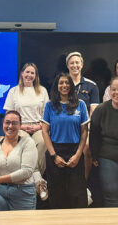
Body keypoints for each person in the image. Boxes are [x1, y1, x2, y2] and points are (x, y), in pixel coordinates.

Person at [42, 72, 89, 208]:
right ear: (57, 86)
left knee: (77, 194)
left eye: (67, 82)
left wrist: (78, 155)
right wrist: (54, 155)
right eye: (61, 83)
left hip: (75, 151)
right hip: (55, 152)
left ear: (71, 85)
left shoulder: (80, 104)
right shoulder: (50, 105)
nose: (64, 85)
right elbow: (45, 131)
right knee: (57, 194)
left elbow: (84, 131)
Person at [3, 63, 49, 200]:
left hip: (38, 126)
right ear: (22, 73)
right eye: (27, 72)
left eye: (32, 73)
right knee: (27, 143)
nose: (29, 75)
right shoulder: (14, 91)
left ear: (36, 76)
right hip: (19, 127)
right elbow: (8, 114)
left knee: (42, 142)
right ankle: (39, 181)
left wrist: (38, 127)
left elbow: (47, 115)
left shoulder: (42, 91)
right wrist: (20, 126)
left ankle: (34, 178)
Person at [0, 110, 38, 212]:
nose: (10, 126)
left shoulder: (28, 142)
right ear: (3, 124)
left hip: (23, 193)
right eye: (7, 122)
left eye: (14, 123)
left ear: (20, 126)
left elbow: (26, 172)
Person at [66, 51, 99, 183]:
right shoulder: (61, 83)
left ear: (82, 65)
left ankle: (83, 183)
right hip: (65, 126)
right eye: (72, 63)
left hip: (84, 127)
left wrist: (86, 129)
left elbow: (94, 111)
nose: (75, 65)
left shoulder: (92, 85)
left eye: (77, 62)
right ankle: (66, 182)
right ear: (67, 65)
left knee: (87, 147)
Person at [90, 76, 118, 207]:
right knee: (111, 191)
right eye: (114, 89)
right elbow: (94, 135)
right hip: (107, 156)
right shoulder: (101, 110)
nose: (116, 93)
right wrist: (94, 155)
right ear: (109, 91)